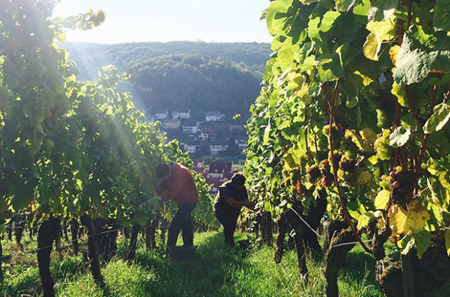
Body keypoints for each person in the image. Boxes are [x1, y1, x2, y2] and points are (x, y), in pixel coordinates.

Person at [156, 162, 198, 248]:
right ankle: (188, 247)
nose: (165, 179)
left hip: (190, 201)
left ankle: (170, 249)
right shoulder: (169, 170)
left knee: (175, 224)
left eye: (166, 177)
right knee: (186, 224)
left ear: (169, 173)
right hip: (182, 202)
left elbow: (171, 193)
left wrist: (157, 201)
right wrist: (154, 195)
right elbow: (163, 186)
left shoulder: (180, 174)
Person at [213, 173, 255, 246]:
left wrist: (257, 209)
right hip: (221, 210)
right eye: (239, 186)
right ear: (234, 183)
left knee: (231, 227)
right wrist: (245, 203)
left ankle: (229, 245)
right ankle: (230, 245)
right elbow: (232, 203)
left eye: (242, 185)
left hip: (233, 211)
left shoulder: (242, 188)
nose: (241, 187)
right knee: (228, 226)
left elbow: (246, 202)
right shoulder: (225, 188)